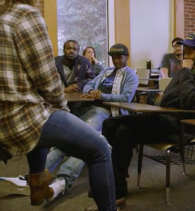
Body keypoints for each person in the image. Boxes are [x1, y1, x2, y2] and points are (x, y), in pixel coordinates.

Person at [0, 0, 117, 210]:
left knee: (46, 123)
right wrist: (62, 111)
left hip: (6, 117)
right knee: (100, 149)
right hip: (21, 117)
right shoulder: (24, 14)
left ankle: (37, 185)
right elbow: (48, 82)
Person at [84, 33, 195, 211]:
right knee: (110, 124)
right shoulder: (185, 74)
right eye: (186, 51)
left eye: (191, 52)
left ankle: (118, 191)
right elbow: (168, 98)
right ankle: (110, 179)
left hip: (179, 127)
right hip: (163, 119)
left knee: (125, 130)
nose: (186, 55)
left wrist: (185, 71)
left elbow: (186, 102)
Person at [43, 43, 139, 203]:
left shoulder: (130, 75)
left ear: (126, 57)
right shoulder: (106, 71)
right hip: (87, 108)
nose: (115, 60)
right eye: (113, 57)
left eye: (119, 57)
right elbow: (88, 85)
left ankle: (62, 181)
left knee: (83, 140)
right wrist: (91, 92)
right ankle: (39, 172)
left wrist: (101, 96)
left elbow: (126, 97)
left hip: (106, 112)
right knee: (67, 136)